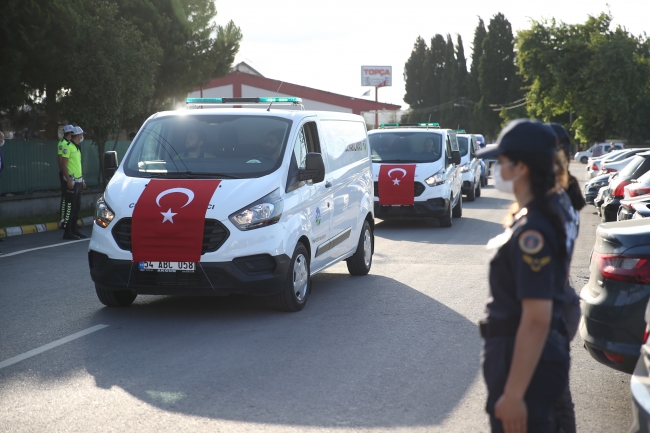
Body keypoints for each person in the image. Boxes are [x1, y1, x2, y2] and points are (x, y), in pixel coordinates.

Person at [476, 119, 579, 433]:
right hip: (526, 362)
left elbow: (536, 318)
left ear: (521, 168)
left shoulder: (532, 231)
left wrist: (514, 394)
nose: (496, 169)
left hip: (525, 371)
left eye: (502, 162)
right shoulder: (539, 214)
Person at [547, 123, 585, 433]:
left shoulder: (552, 204)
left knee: (553, 394)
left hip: (551, 304)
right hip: (563, 296)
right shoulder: (566, 192)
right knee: (559, 395)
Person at [61, 126, 87, 240]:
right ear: (78, 135)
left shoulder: (77, 147)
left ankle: (74, 229)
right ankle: (67, 231)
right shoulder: (68, 147)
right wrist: (68, 179)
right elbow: (63, 164)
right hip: (71, 181)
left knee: (77, 207)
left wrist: (82, 180)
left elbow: (77, 166)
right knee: (70, 208)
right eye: (81, 134)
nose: (82, 136)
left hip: (78, 181)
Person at [57, 125, 75, 228]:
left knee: (70, 199)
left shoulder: (71, 144)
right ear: (70, 133)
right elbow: (60, 161)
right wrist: (65, 175)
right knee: (65, 197)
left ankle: (69, 220)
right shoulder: (62, 143)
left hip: (71, 174)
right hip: (65, 174)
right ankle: (63, 219)